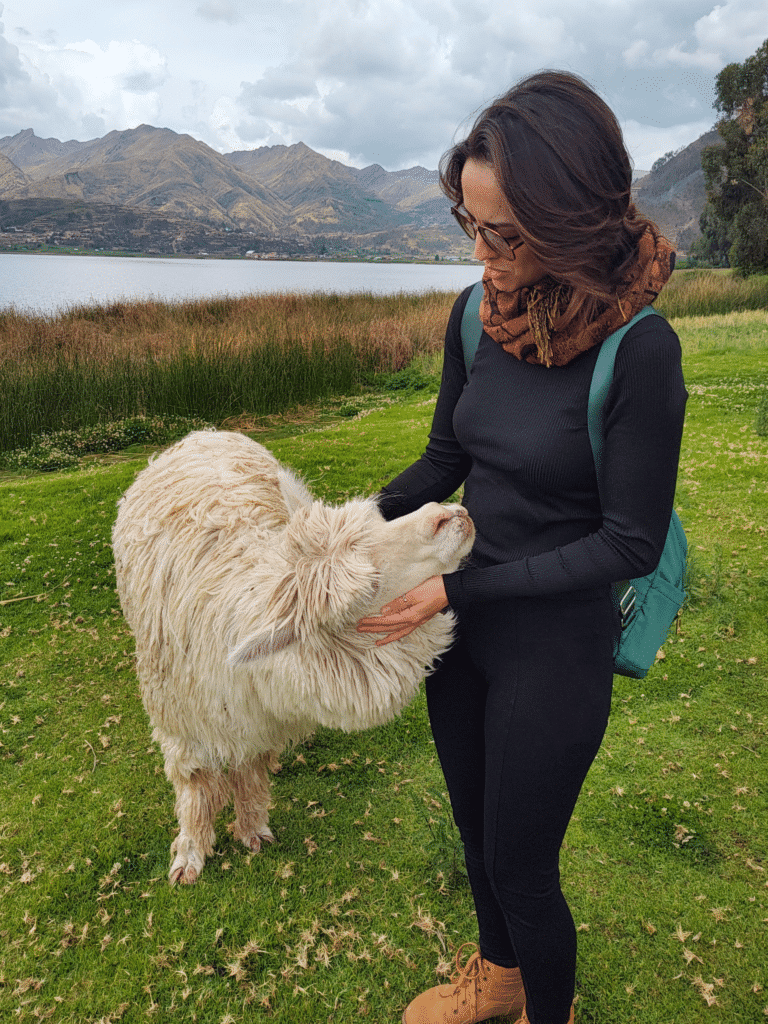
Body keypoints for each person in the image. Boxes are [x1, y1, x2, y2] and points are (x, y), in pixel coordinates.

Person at [357, 70, 687, 1024]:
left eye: (504, 235)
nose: (481, 255)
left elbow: (629, 543)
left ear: (573, 217)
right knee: (474, 832)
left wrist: (458, 593)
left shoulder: (641, 351)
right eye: (470, 224)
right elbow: (445, 459)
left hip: (555, 644)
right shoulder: (476, 316)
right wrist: (338, 529)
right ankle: (499, 981)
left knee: (522, 866)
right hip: (463, 629)